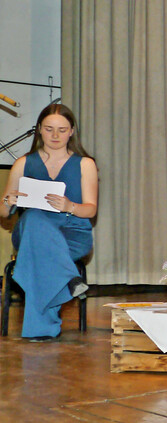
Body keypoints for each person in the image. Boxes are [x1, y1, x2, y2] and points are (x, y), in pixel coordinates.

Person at [2, 104, 97, 341]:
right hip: (31, 232)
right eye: (49, 129)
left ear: (72, 131)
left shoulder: (85, 164)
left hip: (71, 233)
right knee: (34, 218)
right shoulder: (23, 163)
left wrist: (69, 206)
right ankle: (68, 278)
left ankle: (43, 326)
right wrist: (8, 201)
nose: (55, 135)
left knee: (39, 255)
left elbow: (91, 209)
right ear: (39, 130)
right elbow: (4, 213)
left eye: (62, 130)